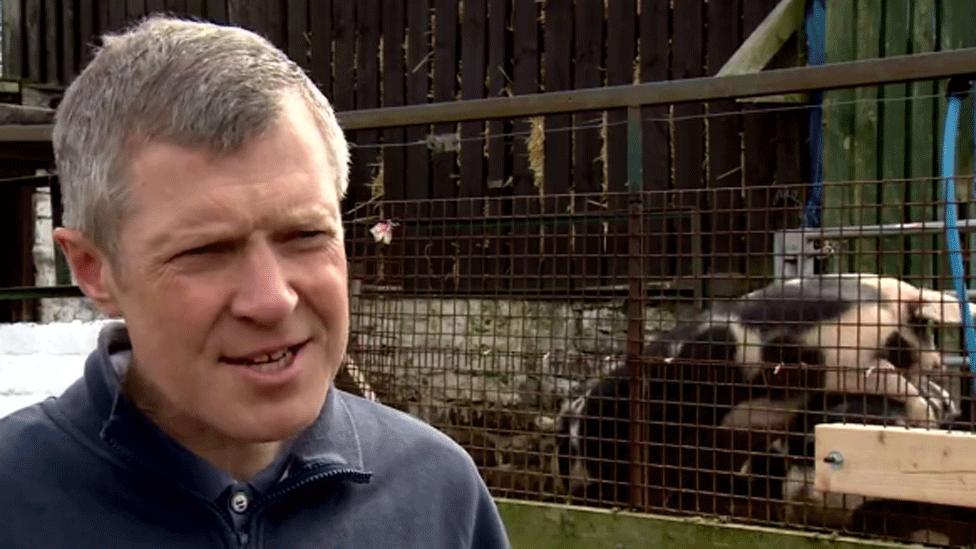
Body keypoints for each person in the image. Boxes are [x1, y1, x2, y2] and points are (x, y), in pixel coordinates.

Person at [0, 15, 510, 548]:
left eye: (306, 235)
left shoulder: (437, 493)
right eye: (206, 250)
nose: (272, 299)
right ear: (93, 268)